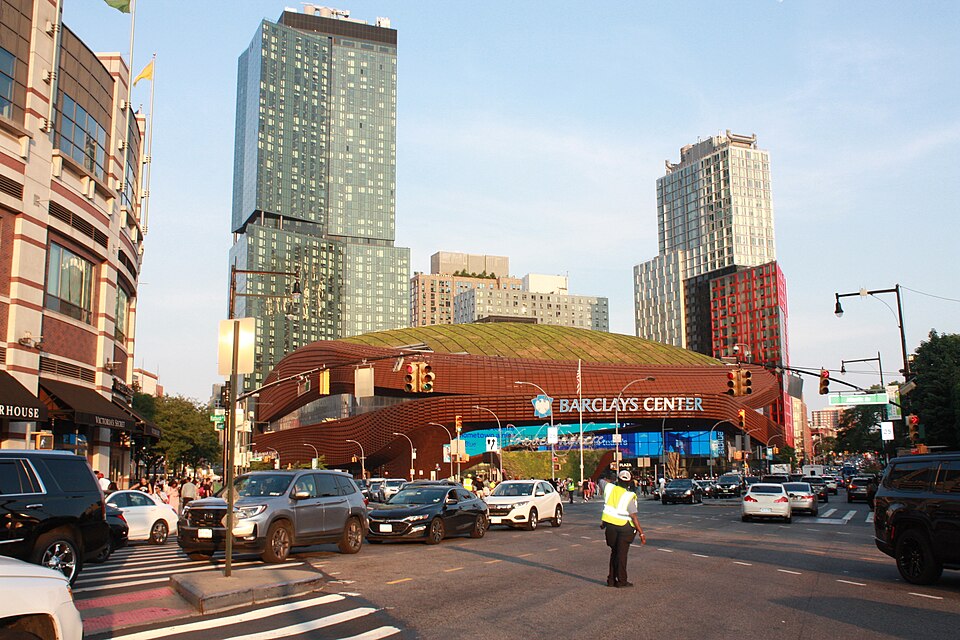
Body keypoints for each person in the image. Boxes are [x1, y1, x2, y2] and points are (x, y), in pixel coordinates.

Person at [601, 470, 645, 588]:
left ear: (618, 480)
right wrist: (641, 533)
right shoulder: (629, 495)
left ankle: (611, 580)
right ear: (629, 482)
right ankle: (621, 581)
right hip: (625, 528)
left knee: (614, 552)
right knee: (622, 554)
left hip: (610, 526)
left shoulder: (609, 488)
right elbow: (633, 517)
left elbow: (600, 480)